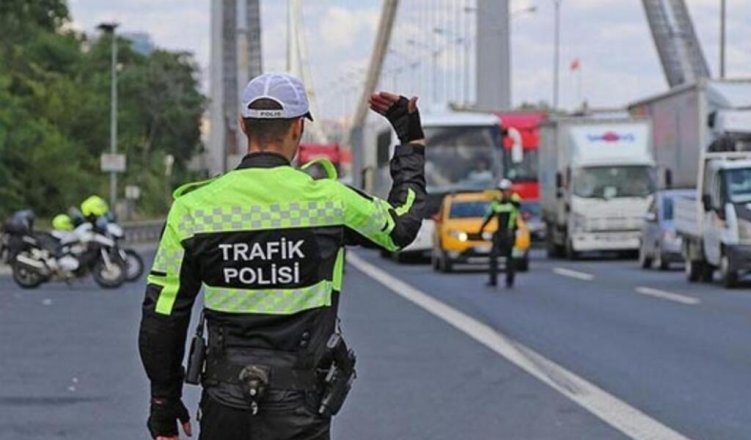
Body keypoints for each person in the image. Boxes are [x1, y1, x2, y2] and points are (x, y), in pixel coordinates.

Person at [138, 72, 426, 440]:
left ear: (243, 125)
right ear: (298, 129)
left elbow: (162, 315)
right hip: (300, 404)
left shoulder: (193, 209)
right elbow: (401, 227)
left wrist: (163, 402)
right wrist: (411, 143)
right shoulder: (331, 202)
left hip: (225, 403)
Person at [478, 179, 521, 288]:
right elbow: (488, 217)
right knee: (493, 257)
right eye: (502, 191)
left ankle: (509, 281)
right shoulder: (496, 204)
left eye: (506, 191)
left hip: (510, 233)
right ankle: (493, 280)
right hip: (500, 233)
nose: (504, 193)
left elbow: (518, 205)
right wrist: (481, 229)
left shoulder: (514, 202)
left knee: (510, 259)